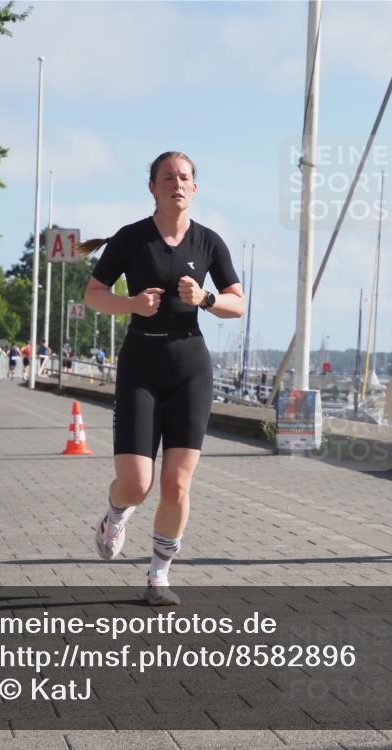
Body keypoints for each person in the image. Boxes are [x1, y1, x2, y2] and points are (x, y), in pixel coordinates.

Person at [81, 151, 244, 606]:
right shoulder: (132, 238)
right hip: (141, 364)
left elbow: (237, 303)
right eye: (168, 177)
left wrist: (206, 299)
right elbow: (93, 294)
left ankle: (158, 575)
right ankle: (116, 514)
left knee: (176, 484)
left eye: (184, 177)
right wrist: (131, 304)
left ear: (195, 187)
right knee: (137, 484)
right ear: (152, 187)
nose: (177, 183)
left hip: (190, 367)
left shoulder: (209, 242)